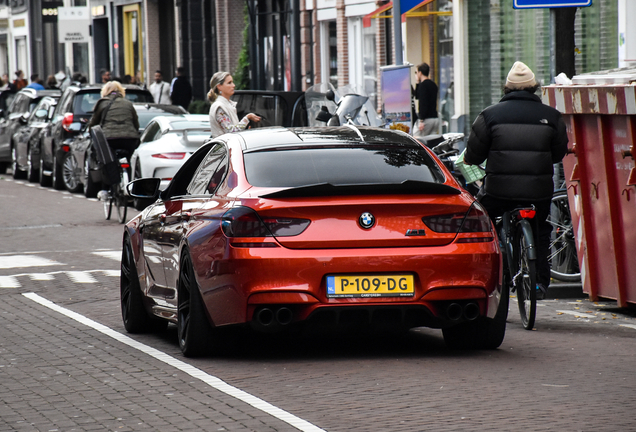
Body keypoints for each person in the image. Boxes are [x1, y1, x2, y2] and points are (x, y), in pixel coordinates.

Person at [464, 61, 568, 300]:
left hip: (499, 191)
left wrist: (471, 160)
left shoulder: (489, 116)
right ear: (534, 88)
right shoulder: (551, 116)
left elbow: (475, 154)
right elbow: (558, 153)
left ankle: (497, 271)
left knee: (485, 220)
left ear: (506, 88)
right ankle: (540, 284)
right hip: (538, 191)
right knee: (541, 230)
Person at [89, 80, 140, 170]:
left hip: (109, 139)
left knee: (107, 164)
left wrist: (91, 134)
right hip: (130, 139)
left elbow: (93, 124)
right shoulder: (128, 103)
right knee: (129, 159)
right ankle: (130, 175)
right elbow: (136, 123)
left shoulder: (102, 103)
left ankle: (108, 181)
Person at [207, 71, 260, 138]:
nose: (233, 85)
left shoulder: (228, 104)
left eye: (232, 82)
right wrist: (247, 118)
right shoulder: (219, 106)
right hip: (225, 147)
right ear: (219, 86)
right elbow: (231, 131)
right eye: (229, 83)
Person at [412, 63, 439, 137]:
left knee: (417, 138)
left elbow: (423, 102)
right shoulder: (433, 84)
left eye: (416, 72)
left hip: (426, 119)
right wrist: (418, 82)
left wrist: (421, 120)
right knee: (431, 141)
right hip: (435, 118)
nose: (416, 74)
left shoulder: (423, 86)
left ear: (420, 73)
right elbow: (417, 96)